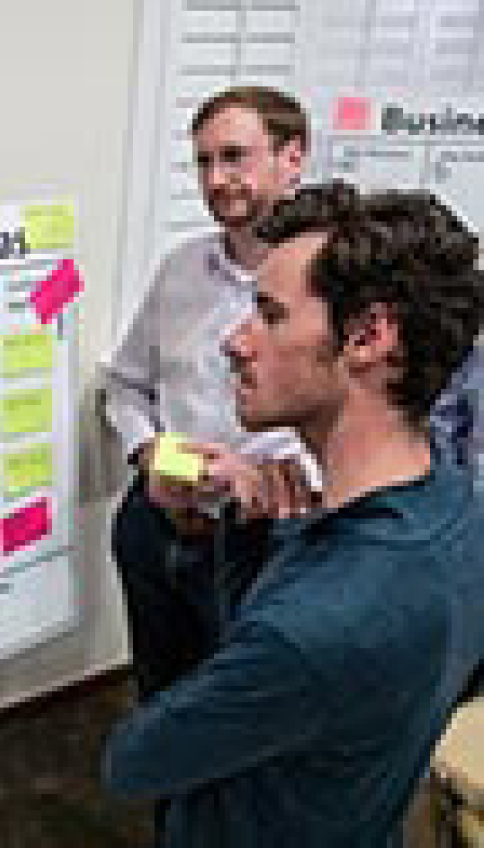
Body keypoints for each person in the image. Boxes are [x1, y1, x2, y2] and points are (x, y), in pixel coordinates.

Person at [104, 181, 484, 845]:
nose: (235, 342)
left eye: (270, 315)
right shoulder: (453, 508)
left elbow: (132, 763)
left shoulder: (315, 628)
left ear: (367, 337)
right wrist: (262, 539)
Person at [103, 86, 318, 701]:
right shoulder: (180, 270)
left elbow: (370, 422)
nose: (217, 178)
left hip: (266, 542)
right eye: (203, 162)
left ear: (292, 157)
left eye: (235, 157)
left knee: (245, 721)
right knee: (162, 700)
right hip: (156, 524)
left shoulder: (333, 286)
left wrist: (267, 476)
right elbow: (125, 385)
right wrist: (150, 457)